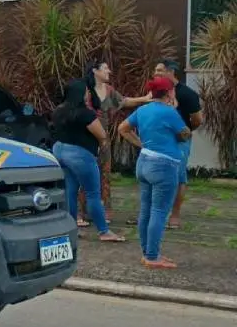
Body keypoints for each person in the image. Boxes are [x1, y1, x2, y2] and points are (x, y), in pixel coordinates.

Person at [118, 76, 192, 269]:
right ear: (169, 92)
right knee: (159, 211)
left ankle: (148, 252)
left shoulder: (142, 110)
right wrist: (176, 116)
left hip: (144, 162)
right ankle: (152, 256)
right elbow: (185, 134)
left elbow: (123, 128)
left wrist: (141, 144)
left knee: (146, 210)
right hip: (164, 165)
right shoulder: (170, 112)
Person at [76, 60, 151, 226]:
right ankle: (79, 213)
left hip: (103, 139)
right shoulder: (84, 90)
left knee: (104, 173)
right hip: (84, 138)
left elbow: (124, 101)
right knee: (83, 174)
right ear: (95, 71)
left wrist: (145, 99)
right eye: (105, 68)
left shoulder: (109, 91)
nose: (109, 71)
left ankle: (103, 211)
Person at [50, 79, 125, 242]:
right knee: (92, 193)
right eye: (86, 91)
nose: (88, 93)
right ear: (80, 94)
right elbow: (101, 134)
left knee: (70, 190)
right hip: (80, 155)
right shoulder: (85, 113)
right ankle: (104, 231)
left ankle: (71, 229)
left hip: (60, 151)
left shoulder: (59, 110)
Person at [153, 59, 203, 229]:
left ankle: (174, 214)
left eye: (159, 71)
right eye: (155, 71)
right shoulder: (157, 92)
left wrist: (185, 132)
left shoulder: (187, 94)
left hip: (179, 142)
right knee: (157, 176)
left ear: (171, 72)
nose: (156, 74)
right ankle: (156, 212)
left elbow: (197, 120)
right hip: (159, 141)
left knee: (179, 177)